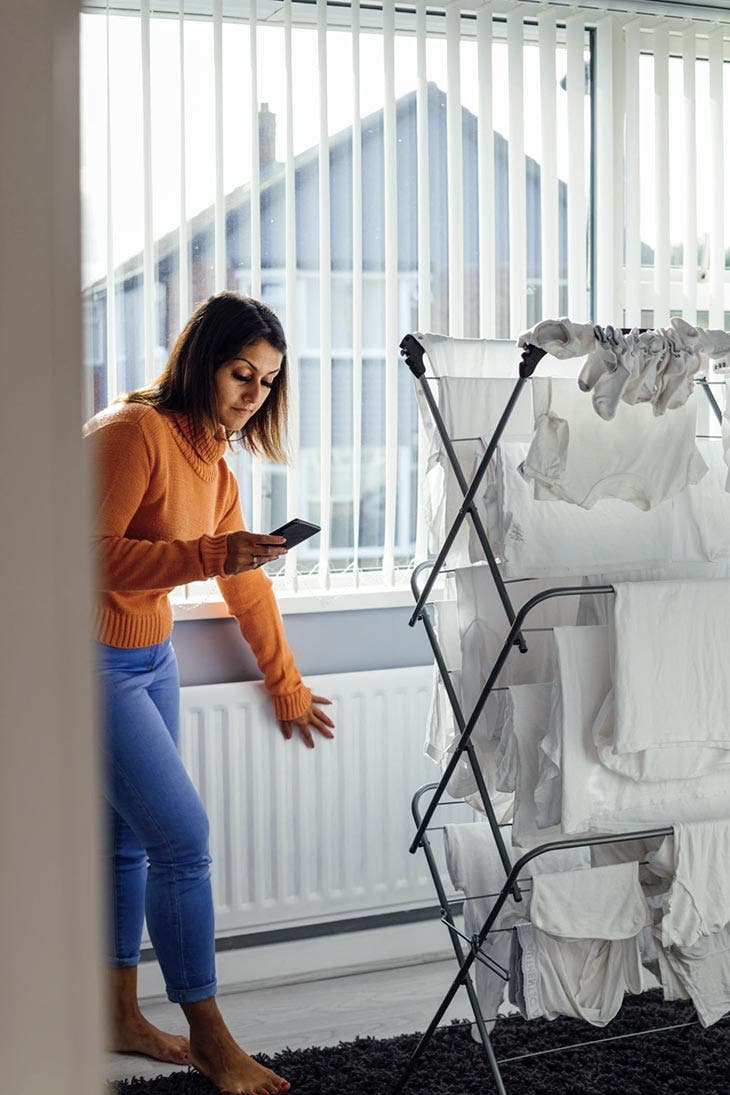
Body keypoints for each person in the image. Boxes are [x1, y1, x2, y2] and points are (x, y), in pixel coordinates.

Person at [86, 291, 335, 1095]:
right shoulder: (134, 433)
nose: (254, 393)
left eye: (268, 381)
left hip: (149, 656)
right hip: (86, 658)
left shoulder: (213, 463)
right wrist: (209, 553)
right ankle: (212, 1037)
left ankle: (116, 1014)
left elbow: (244, 584)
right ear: (202, 360)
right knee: (183, 838)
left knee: (128, 840)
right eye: (241, 373)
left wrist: (286, 683)